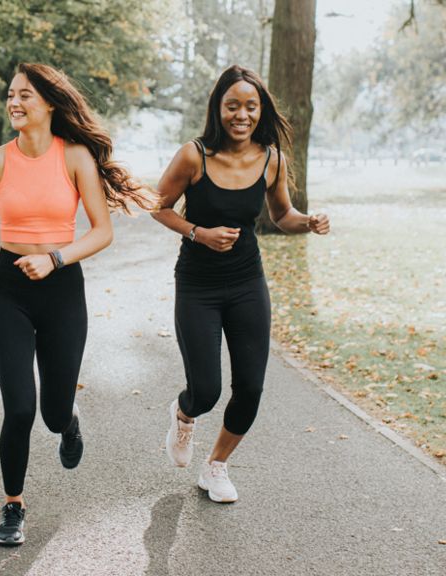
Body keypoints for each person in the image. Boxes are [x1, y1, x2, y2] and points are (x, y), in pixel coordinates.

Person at [0, 63, 150, 546]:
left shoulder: (76, 157)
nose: (14, 103)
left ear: (48, 102)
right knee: (20, 408)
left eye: (24, 95)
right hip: (9, 291)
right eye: (10, 95)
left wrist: (55, 259)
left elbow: (102, 231)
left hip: (62, 289)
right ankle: (13, 506)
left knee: (51, 412)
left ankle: (68, 421)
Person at [152, 65, 330, 503]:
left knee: (250, 386)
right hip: (198, 285)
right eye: (233, 105)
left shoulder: (271, 158)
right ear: (218, 108)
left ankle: (216, 467)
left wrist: (307, 222)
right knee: (207, 390)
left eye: (251, 106)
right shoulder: (194, 155)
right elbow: (158, 206)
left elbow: (282, 215)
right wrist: (199, 232)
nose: (242, 114)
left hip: (248, 282)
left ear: (260, 110)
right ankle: (184, 412)